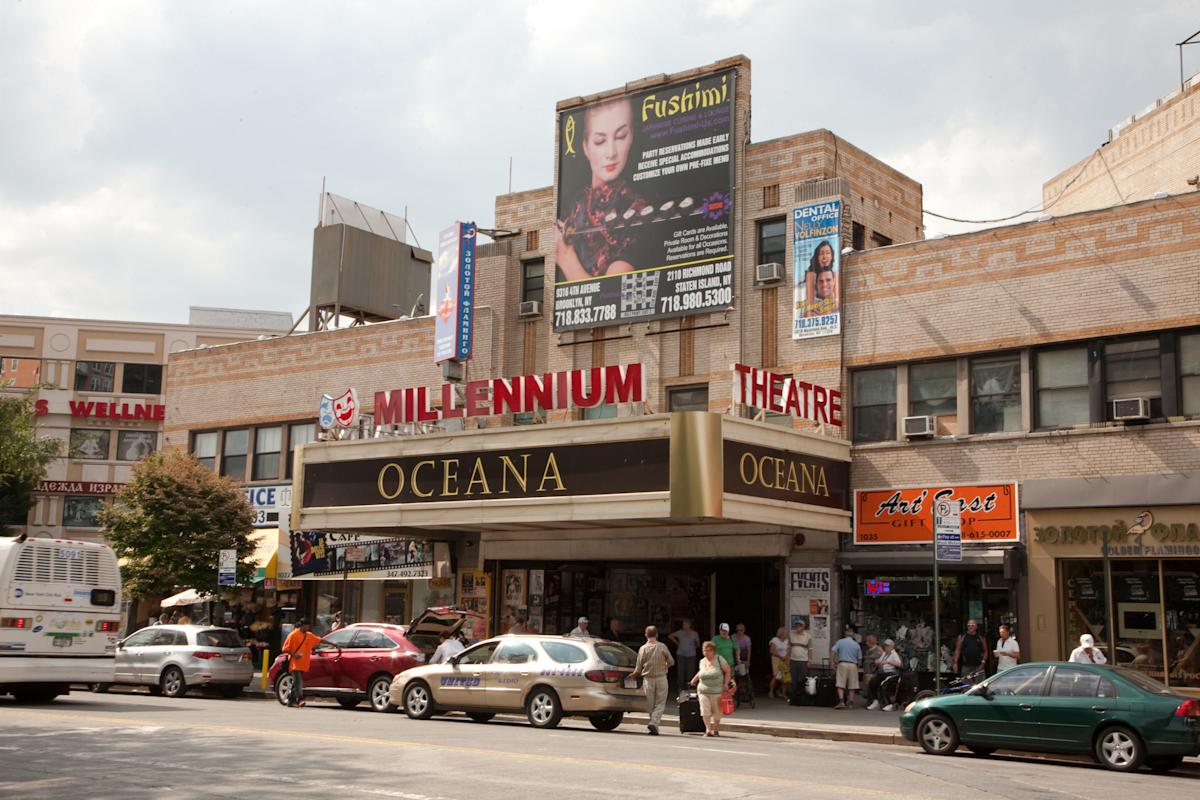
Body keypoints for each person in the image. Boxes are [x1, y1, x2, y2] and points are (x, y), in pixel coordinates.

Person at [555, 96, 647, 281]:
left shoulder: (637, 211)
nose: (611, 152)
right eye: (599, 141)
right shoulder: (575, 203)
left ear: (632, 138)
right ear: (586, 147)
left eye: (621, 136)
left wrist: (565, 257)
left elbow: (610, 296)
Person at [632, 625, 674, 736]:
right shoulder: (662, 646)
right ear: (657, 635)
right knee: (660, 703)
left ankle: (653, 724)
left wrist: (632, 675)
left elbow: (638, 668)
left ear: (646, 635)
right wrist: (664, 666)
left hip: (648, 679)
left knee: (651, 704)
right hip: (661, 677)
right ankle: (654, 723)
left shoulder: (642, 649)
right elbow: (671, 661)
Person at [690, 640, 735, 737]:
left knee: (717, 712)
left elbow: (727, 671)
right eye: (704, 650)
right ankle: (708, 729)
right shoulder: (702, 661)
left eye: (708, 650)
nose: (705, 652)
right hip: (703, 690)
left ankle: (715, 729)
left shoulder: (719, 659)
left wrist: (726, 684)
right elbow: (701, 672)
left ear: (713, 651)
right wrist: (694, 680)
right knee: (704, 709)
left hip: (717, 691)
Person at [281, 618, 319, 708]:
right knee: (298, 681)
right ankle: (300, 699)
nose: (308, 628)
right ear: (302, 625)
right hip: (294, 663)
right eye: (306, 626)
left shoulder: (308, 635)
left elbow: (319, 640)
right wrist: (295, 655)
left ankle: (290, 701)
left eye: (308, 626)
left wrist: (333, 644)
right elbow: (285, 648)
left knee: (296, 683)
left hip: (303, 663)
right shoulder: (293, 634)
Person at [866, 639, 903, 710]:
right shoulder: (884, 653)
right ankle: (875, 701)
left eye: (888, 646)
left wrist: (888, 662)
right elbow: (880, 661)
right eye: (885, 646)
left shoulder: (894, 654)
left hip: (891, 674)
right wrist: (877, 661)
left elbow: (899, 664)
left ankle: (889, 704)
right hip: (882, 673)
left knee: (884, 685)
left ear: (892, 646)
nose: (886, 647)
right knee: (872, 682)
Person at [831, 629, 863, 709]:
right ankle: (851, 704)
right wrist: (858, 666)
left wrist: (832, 661)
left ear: (845, 634)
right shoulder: (856, 644)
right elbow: (860, 658)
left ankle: (841, 702)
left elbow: (833, 651)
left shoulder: (840, 642)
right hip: (853, 665)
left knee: (840, 683)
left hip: (842, 664)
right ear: (853, 636)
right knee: (852, 685)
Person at [669, 618, 700, 693]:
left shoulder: (694, 633)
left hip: (691, 655)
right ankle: (681, 689)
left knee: (690, 672)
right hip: (681, 655)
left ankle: (689, 688)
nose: (684, 625)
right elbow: (670, 636)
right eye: (683, 624)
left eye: (685, 624)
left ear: (689, 625)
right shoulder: (680, 632)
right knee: (681, 672)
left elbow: (698, 643)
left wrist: (693, 646)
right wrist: (677, 643)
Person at [788, 620, 812, 705]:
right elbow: (789, 648)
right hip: (793, 660)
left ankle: (801, 698)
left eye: (800, 625)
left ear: (803, 626)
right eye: (797, 625)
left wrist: (809, 660)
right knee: (793, 680)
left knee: (802, 679)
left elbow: (810, 649)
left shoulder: (808, 636)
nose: (798, 627)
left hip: (803, 660)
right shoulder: (791, 634)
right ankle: (793, 698)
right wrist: (788, 659)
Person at [768, 627, 790, 699]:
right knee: (775, 676)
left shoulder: (787, 641)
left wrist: (786, 658)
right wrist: (780, 656)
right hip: (776, 659)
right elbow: (772, 651)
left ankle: (782, 693)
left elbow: (788, 650)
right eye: (785, 633)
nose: (787, 634)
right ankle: (771, 692)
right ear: (781, 633)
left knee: (785, 678)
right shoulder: (775, 640)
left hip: (784, 660)